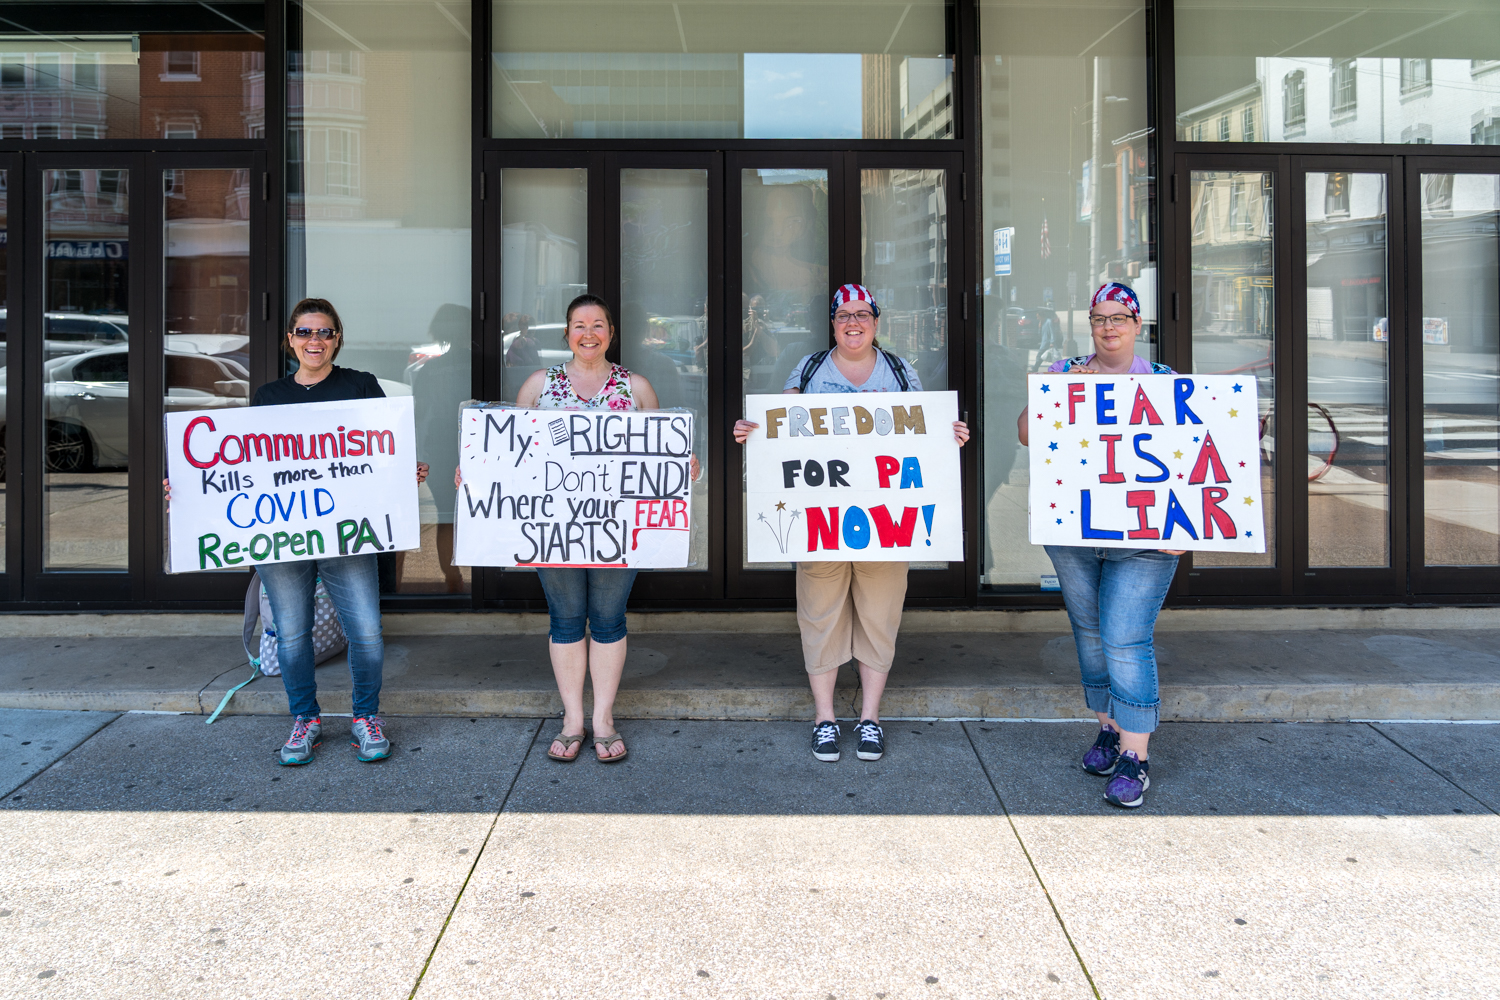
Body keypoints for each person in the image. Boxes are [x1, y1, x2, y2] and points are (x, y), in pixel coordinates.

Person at [166, 297, 430, 765]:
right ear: (290, 339)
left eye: (324, 332)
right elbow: (244, 466)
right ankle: (304, 719)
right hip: (283, 539)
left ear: (337, 339)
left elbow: (383, 452)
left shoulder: (360, 386)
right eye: (305, 332)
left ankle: (365, 716)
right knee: (291, 635)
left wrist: (403, 470)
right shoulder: (269, 396)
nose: (315, 341)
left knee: (366, 632)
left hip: (348, 535)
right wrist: (189, 487)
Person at [734, 283, 969, 763]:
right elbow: (782, 430)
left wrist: (952, 437)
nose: (853, 323)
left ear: (876, 322)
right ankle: (824, 718)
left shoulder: (901, 371)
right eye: (843, 315)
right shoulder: (811, 369)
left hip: (886, 524)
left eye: (862, 314)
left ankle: (869, 718)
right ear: (833, 323)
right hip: (821, 524)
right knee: (819, 615)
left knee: (879, 618)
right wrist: (752, 433)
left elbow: (926, 433)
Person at [457, 293, 694, 764]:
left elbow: (660, 458)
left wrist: (687, 464)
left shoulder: (637, 388)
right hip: (553, 527)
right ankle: (572, 720)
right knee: (566, 619)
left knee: (608, 619)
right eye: (579, 325)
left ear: (611, 333)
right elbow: (507, 451)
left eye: (598, 324)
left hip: (616, 530)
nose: (589, 333)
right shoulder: (538, 384)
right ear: (567, 333)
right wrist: (476, 471)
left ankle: (603, 719)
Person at [1016, 282, 1181, 808]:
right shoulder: (1065, 373)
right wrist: (1058, 395)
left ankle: (1137, 755)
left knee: (1126, 637)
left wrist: (1187, 529)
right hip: (1075, 533)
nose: (1108, 327)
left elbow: (1192, 461)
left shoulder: (1165, 382)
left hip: (1147, 535)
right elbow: (1024, 433)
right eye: (1099, 318)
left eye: (1119, 318)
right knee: (1089, 633)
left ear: (1137, 324)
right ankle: (1110, 729)